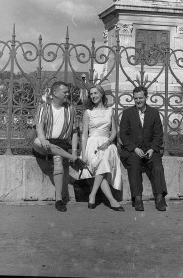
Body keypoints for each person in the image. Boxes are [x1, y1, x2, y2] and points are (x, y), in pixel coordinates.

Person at [33, 81, 86, 212]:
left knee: (58, 159)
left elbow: (74, 132)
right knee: (37, 142)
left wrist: (74, 150)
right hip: (44, 141)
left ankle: (59, 200)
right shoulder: (43, 107)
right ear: (55, 93)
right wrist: (43, 138)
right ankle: (74, 159)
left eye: (68, 92)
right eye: (65, 92)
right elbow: (39, 126)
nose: (68, 94)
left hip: (60, 144)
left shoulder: (70, 109)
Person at [120, 85, 167, 211]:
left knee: (157, 167)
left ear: (146, 97)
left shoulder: (154, 113)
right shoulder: (127, 113)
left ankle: (160, 197)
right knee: (134, 166)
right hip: (134, 150)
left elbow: (158, 134)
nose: (138, 101)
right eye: (136, 98)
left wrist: (152, 149)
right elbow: (123, 135)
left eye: (140, 98)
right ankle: (138, 198)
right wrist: (134, 149)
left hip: (150, 150)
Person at [81, 84, 124, 211]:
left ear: (101, 94)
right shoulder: (88, 112)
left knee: (103, 162)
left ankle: (92, 195)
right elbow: (84, 135)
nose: (93, 96)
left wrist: (109, 142)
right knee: (102, 165)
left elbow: (115, 131)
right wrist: (83, 154)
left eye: (96, 93)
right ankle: (111, 200)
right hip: (92, 143)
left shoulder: (110, 111)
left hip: (106, 143)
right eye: (91, 94)